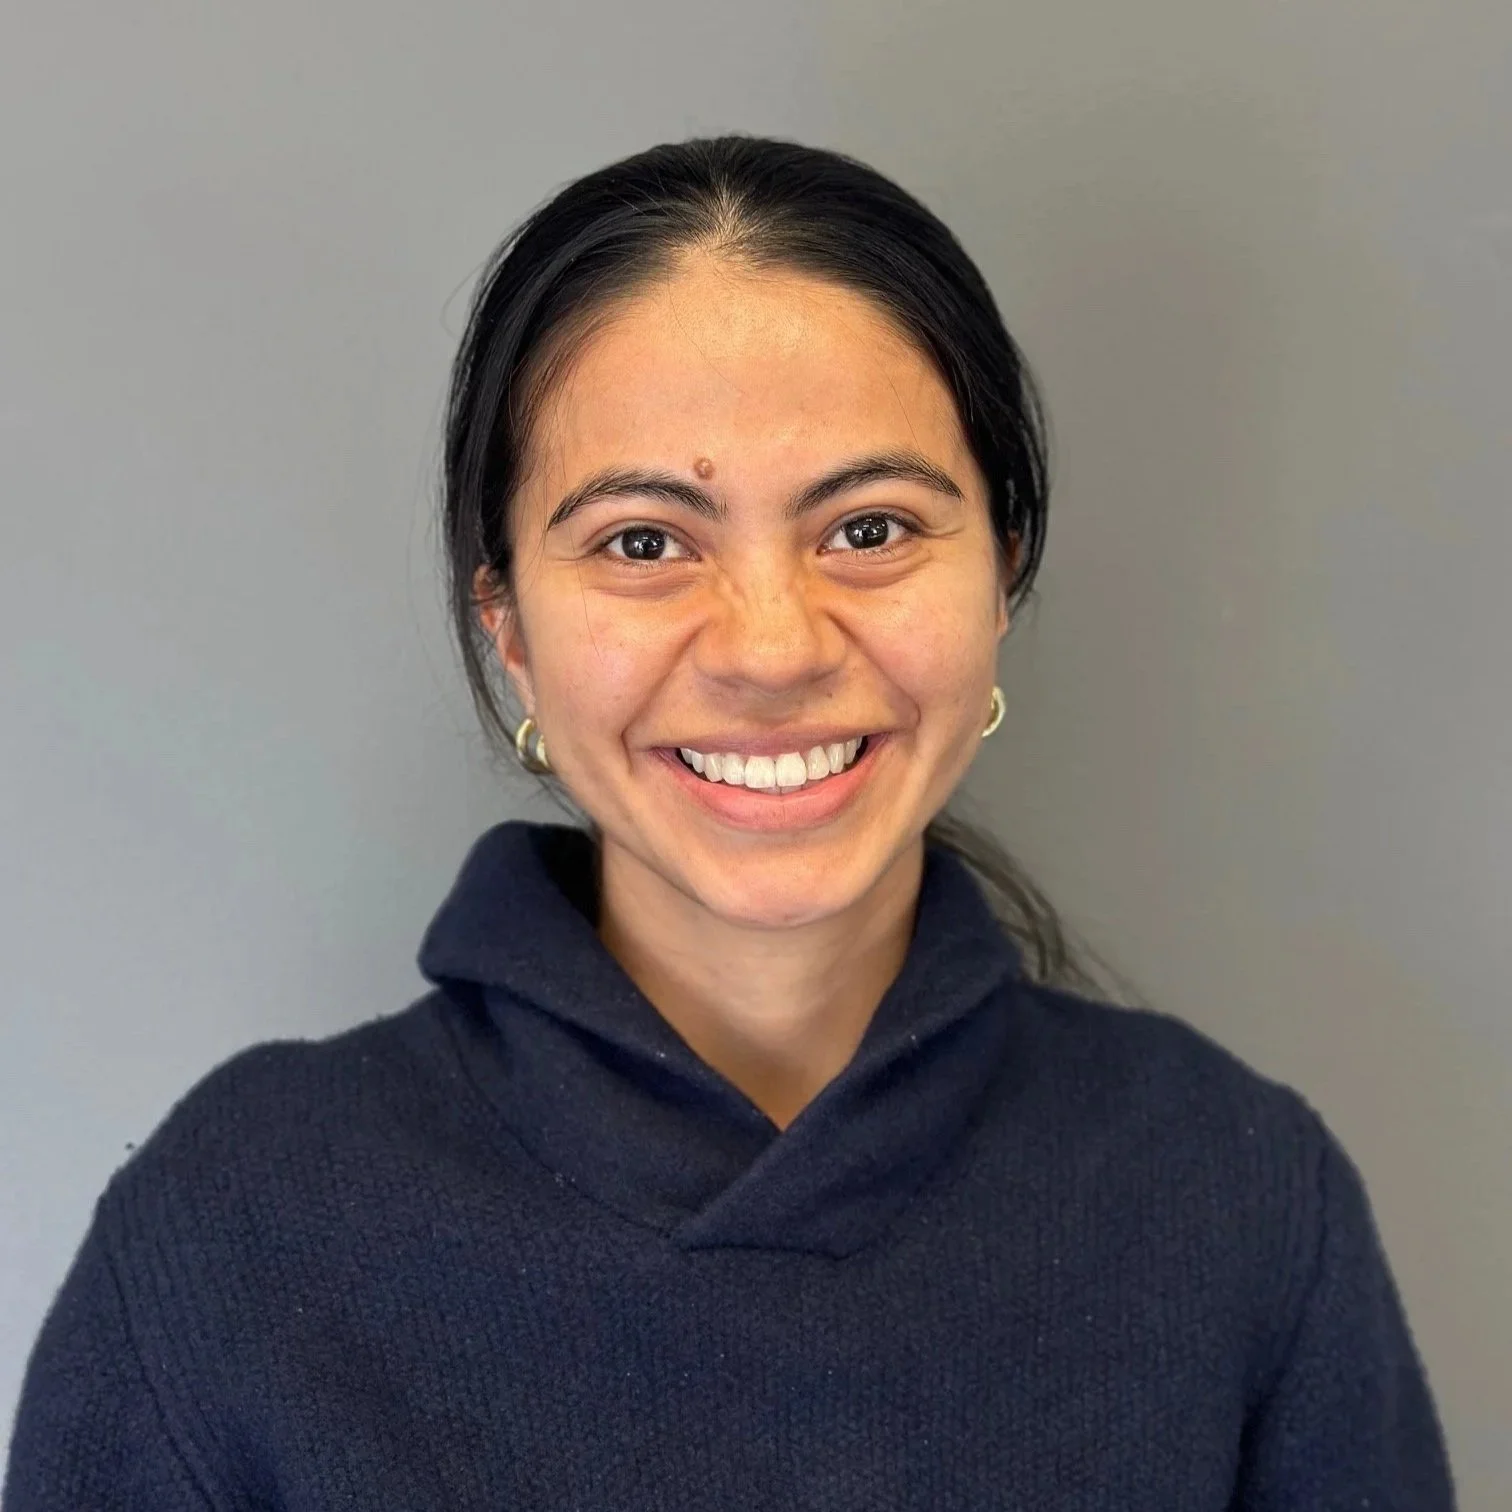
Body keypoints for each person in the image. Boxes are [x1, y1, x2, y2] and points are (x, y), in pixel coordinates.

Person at [4, 136, 1455, 1510]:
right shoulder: (237, 1232)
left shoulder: (1236, 1195)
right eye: (643, 543)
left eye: (870, 528)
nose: (771, 649)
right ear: (507, 623)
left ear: (1001, 574)